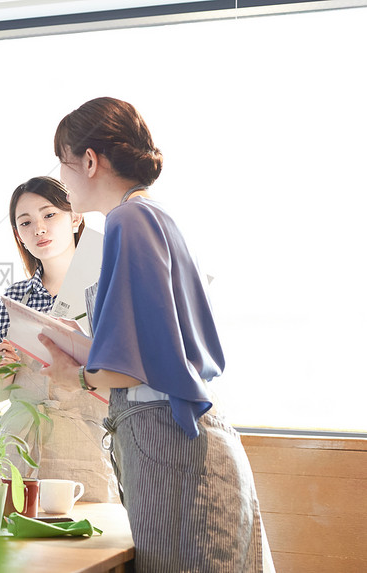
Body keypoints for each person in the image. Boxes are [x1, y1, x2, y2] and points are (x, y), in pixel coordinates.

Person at [39, 97, 267, 570]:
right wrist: (80, 346)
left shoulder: (127, 219)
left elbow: (124, 368)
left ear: (89, 160)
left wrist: (74, 376)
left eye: (62, 163)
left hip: (170, 445)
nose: (61, 180)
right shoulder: (156, 217)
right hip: (190, 438)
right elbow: (158, 347)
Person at [0, 176, 118, 503]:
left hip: (84, 444)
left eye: (49, 215)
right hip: (19, 446)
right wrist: (0, 366)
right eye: (26, 222)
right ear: (19, 235)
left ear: (75, 218)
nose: (39, 229)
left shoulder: (109, 289)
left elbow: (124, 381)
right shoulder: (15, 297)